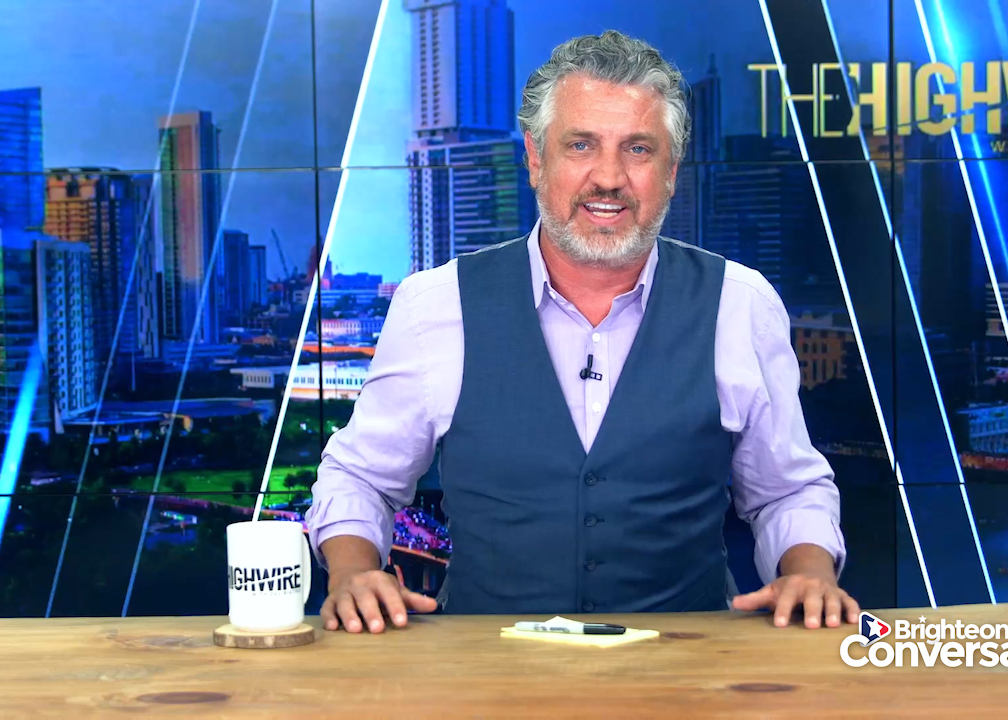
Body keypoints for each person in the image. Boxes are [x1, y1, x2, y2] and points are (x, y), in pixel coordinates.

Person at [308, 30, 859, 634]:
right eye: (580, 145)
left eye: (638, 149)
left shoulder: (741, 303)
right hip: (482, 667)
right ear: (535, 158)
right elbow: (359, 477)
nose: (609, 177)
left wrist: (810, 572)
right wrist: (352, 572)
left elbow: (786, 491)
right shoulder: (434, 306)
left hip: (690, 664)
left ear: (671, 172)